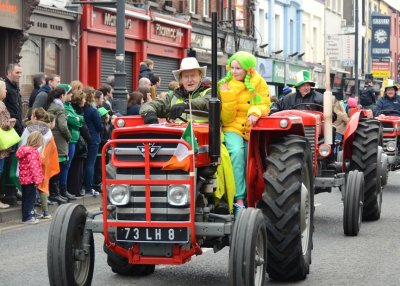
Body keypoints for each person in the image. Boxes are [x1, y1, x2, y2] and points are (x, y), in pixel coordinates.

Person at [218, 51, 270, 214]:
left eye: (237, 68)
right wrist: (227, 96)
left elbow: (265, 105)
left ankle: (253, 196)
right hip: (232, 127)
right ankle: (239, 198)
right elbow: (226, 119)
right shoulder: (225, 85)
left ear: (248, 69)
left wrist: (254, 112)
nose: (233, 72)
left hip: (251, 127)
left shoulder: (259, 83)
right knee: (236, 152)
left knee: (253, 160)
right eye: (232, 68)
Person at [140, 57, 211, 123]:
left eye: (193, 75)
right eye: (186, 76)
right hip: (178, 136)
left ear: (200, 77)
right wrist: (149, 113)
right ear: (181, 79)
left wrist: (187, 105)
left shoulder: (210, 92)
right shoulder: (172, 97)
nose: (190, 80)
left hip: (204, 136)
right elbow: (150, 105)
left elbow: (207, 102)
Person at [20, 107, 61, 212]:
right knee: (43, 184)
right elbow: (53, 148)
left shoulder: (28, 129)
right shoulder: (48, 131)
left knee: (30, 187)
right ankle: (45, 211)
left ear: (34, 117)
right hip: (44, 159)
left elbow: (22, 145)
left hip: (30, 161)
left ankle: (31, 211)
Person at [46, 87, 74, 201]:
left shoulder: (50, 106)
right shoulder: (60, 109)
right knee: (58, 167)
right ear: (62, 95)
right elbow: (63, 126)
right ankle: (55, 193)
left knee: (52, 166)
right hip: (60, 141)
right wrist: (69, 137)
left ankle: (53, 193)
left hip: (51, 138)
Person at [59, 83, 82, 201]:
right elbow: (75, 121)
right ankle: (62, 190)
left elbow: (80, 119)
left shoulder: (69, 105)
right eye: (69, 92)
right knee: (65, 165)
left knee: (67, 165)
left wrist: (78, 119)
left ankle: (64, 189)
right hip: (69, 139)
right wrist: (78, 119)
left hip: (73, 139)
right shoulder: (64, 107)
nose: (72, 94)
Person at [16, 131, 44, 224]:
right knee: (30, 199)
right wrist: (38, 180)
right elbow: (34, 168)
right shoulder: (32, 152)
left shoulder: (24, 150)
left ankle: (25, 216)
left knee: (25, 199)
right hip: (31, 180)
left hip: (24, 179)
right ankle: (28, 216)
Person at [83, 87, 102, 196]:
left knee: (85, 164)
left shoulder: (82, 109)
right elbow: (99, 126)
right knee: (91, 163)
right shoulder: (92, 110)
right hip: (93, 138)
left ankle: (85, 186)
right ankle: (89, 188)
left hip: (85, 137)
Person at [0, 79, 14, 209]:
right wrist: (12, 122)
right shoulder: (1, 105)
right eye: (4, 89)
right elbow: (4, 125)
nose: (6, 91)